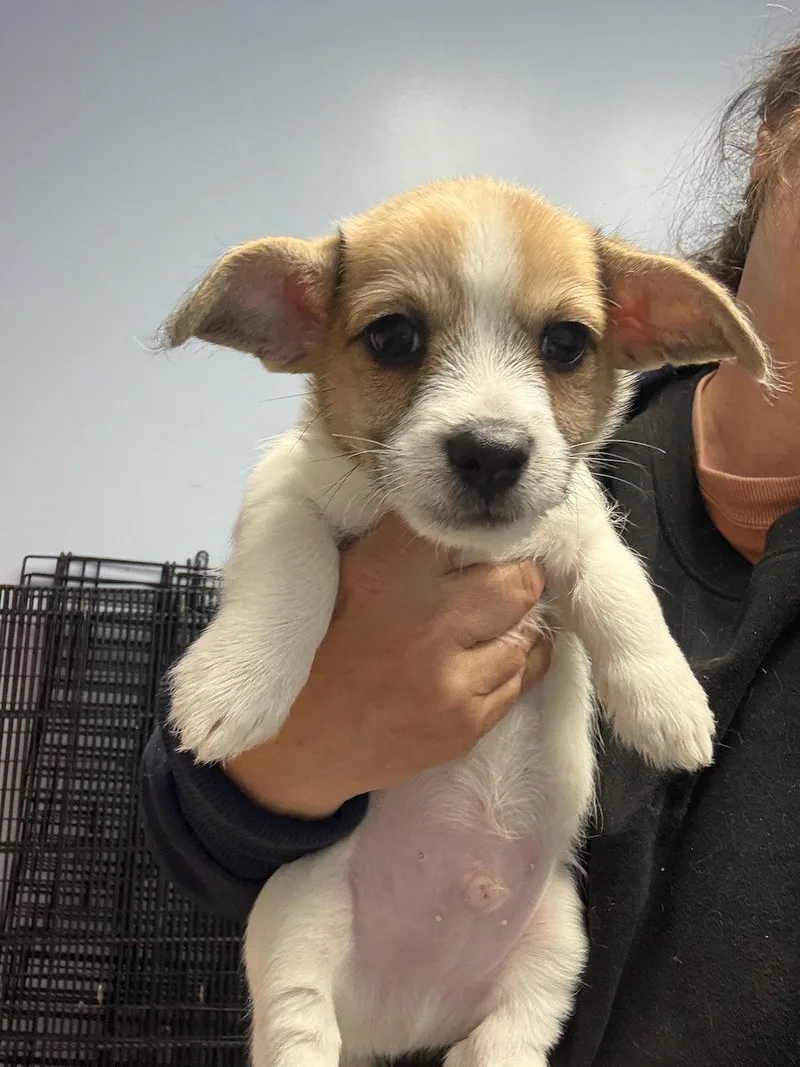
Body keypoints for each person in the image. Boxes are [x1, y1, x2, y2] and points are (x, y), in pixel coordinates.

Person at [140, 37, 800, 1067]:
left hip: (513, 975)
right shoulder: (348, 489)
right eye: (398, 339)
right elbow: (193, 816)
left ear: (645, 322)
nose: (490, 425)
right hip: (361, 948)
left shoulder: (579, 501)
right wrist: (290, 755)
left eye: (560, 346)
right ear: (773, 148)